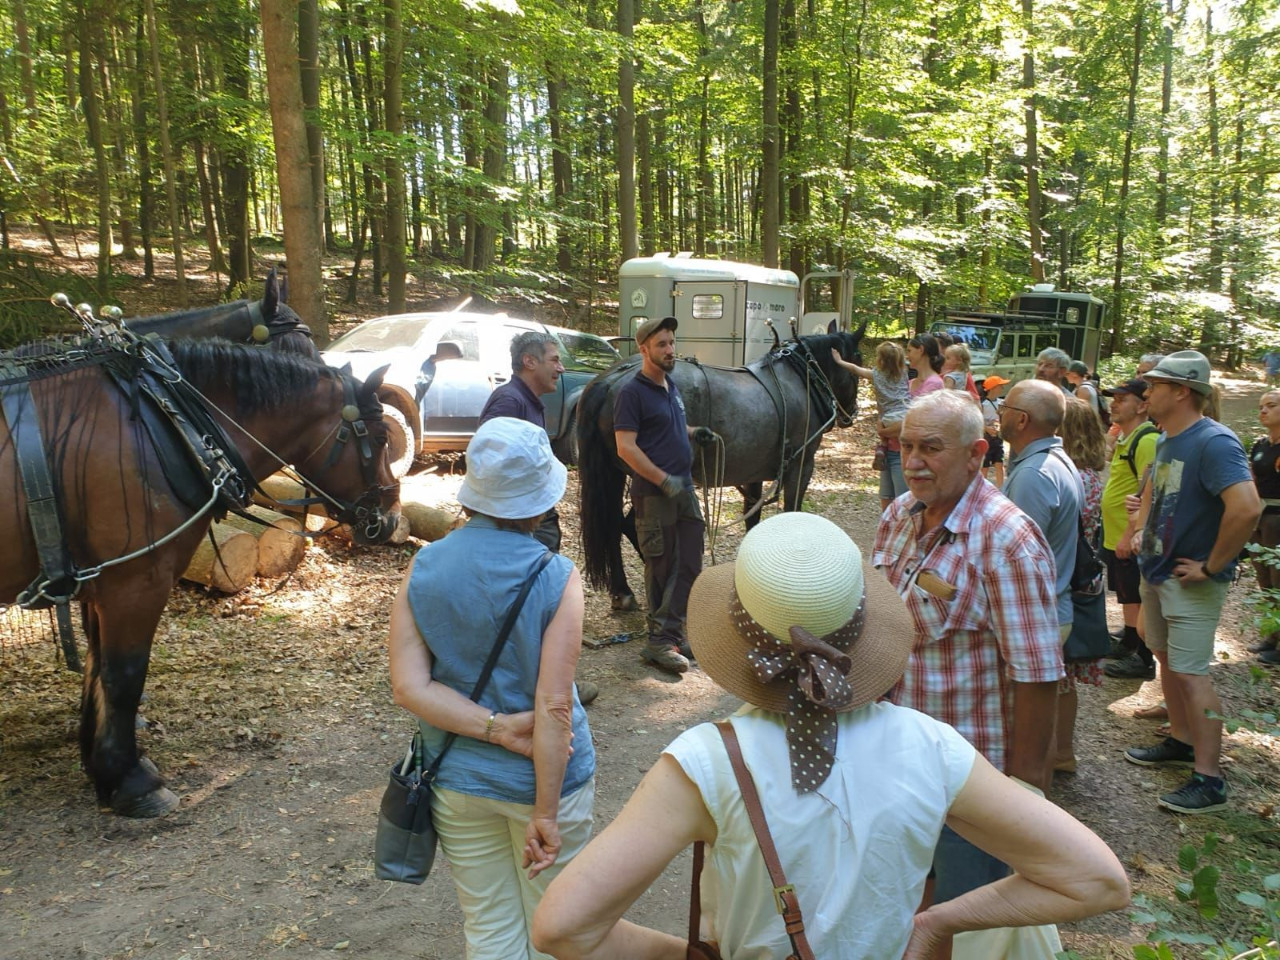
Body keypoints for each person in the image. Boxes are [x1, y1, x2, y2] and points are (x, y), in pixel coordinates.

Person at [531, 513, 1129, 960]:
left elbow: (563, 927)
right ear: (863, 627)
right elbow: (1097, 880)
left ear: (737, 638)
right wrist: (938, 923)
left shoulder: (707, 762)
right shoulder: (933, 748)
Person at [387, 417, 596, 960]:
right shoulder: (556, 575)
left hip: (457, 778)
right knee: (556, 928)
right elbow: (552, 705)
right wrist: (545, 815)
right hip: (546, 781)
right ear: (539, 503)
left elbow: (410, 688)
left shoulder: (423, 565)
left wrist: (496, 730)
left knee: (489, 927)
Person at [874, 390, 1063, 911]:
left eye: (931, 448)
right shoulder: (897, 517)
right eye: (905, 446)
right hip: (898, 762)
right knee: (904, 902)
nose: (913, 463)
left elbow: (1038, 674)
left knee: (964, 914)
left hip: (972, 780)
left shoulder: (1007, 540)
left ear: (977, 453)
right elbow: (884, 627)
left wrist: (1024, 794)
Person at [1124, 351, 1261, 814]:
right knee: (1165, 658)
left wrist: (1212, 565)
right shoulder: (1168, 439)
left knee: (1191, 672)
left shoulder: (1214, 442)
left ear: (1182, 390)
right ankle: (1181, 741)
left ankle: (1211, 779)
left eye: (1155, 384)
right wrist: (1142, 528)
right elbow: (1162, 498)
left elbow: (1247, 507)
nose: (1146, 390)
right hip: (1157, 573)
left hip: (1191, 580)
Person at [614, 315, 717, 675]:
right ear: (644, 349)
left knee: (689, 562)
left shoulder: (669, 386)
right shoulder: (632, 392)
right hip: (655, 494)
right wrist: (662, 479)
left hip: (683, 488)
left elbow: (665, 427)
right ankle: (658, 641)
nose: (670, 349)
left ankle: (673, 631)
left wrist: (692, 431)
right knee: (661, 566)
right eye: (662, 344)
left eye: (672, 342)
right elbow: (626, 447)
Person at [1001, 379, 1082, 643]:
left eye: (1005, 407)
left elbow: (1016, 559)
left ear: (1022, 420)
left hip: (1034, 621)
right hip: (1045, 615)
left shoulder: (1033, 475)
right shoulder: (1056, 462)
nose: (1000, 412)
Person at [1054, 398, 1108, 772]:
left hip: (1064, 580)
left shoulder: (1065, 475)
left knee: (1057, 673)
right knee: (1065, 676)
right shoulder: (1090, 474)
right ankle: (1063, 750)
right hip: (1080, 577)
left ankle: (1055, 751)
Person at [1098, 378, 1160, 680]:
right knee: (1126, 594)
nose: (1114, 403)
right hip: (1115, 534)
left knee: (1136, 594)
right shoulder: (1127, 436)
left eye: (1122, 399)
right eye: (1114, 398)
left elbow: (1148, 490)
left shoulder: (1146, 440)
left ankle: (1144, 659)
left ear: (1142, 404)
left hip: (1130, 537)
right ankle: (1130, 642)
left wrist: (1129, 533)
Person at [830, 340, 909, 509]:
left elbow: (855, 369)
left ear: (881, 360)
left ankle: (882, 447)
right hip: (905, 412)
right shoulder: (903, 372)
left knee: (884, 430)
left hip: (888, 416)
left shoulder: (877, 374)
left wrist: (839, 361)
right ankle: (884, 448)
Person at [1248, 389, 1280, 664]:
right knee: (1265, 581)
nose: (1263, 411)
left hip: (1278, 519)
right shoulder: (1260, 444)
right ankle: (1271, 636)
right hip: (1259, 517)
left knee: (1279, 580)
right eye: (1261, 406)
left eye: (1271, 406)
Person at [979, 375, 1010, 486]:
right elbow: (978, 421)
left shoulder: (1001, 403)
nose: (1002, 388)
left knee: (999, 464)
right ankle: (982, 490)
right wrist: (987, 428)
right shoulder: (982, 404)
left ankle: (1001, 489)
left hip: (997, 439)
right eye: (1000, 386)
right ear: (993, 388)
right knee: (985, 467)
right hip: (986, 439)